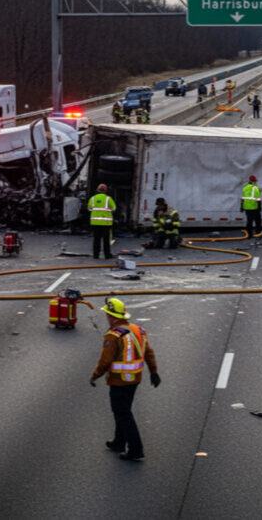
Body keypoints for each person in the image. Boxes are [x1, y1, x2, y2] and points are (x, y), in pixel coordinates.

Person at [90, 297, 160, 462]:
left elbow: (105, 361)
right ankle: (118, 442)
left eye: (107, 314)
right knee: (122, 411)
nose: (106, 317)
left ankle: (136, 449)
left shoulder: (113, 336)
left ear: (113, 317)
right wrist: (154, 372)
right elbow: (149, 352)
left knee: (123, 414)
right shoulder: (139, 330)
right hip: (135, 379)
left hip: (119, 381)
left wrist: (94, 375)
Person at [88, 183, 116, 259]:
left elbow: (89, 208)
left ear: (97, 190)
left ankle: (96, 255)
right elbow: (113, 208)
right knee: (106, 240)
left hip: (95, 222)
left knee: (96, 239)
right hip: (106, 223)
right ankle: (107, 255)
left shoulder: (93, 198)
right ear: (106, 190)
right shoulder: (108, 199)